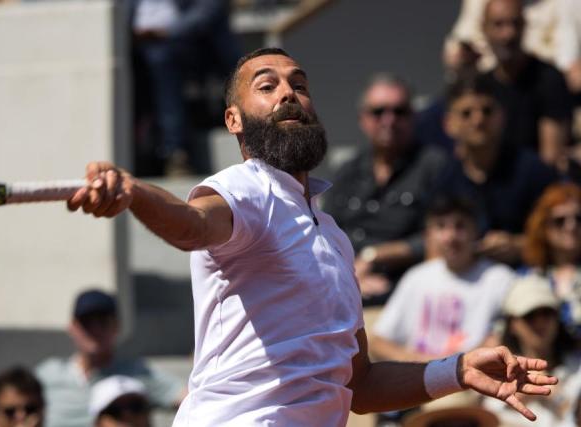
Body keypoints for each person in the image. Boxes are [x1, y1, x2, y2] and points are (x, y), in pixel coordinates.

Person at [66, 47, 559, 426]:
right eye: (267, 85)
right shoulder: (245, 187)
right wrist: (134, 193)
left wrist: (456, 371)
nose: (288, 92)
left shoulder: (335, 238)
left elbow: (359, 383)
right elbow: (193, 225)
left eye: (299, 84)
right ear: (234, 121)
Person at [322, 73, 448, 305]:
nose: (388, 120)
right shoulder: (347, 170)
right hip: (343, 286)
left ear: (413, 116)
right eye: (378, 112)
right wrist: (349, 273)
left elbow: (442, 236)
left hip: (406, 294)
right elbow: (324, 232)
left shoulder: (436, 166)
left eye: (399, 111)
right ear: (363, 119)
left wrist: (375, 256)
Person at [372, 196, 514, 363]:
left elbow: (505, 341)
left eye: (460, 226)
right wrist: (422, 365)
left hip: (471, 380)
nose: (450, 236)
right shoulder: (417, 277)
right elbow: (377, 342)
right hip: (419, 378)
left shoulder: (500, 279)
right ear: (429, 235)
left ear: (475, 231)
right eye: (441, 226)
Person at [436, 72, 557, 265]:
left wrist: (518, 245)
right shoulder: (443, 177)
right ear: (449, 124)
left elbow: (564, 234)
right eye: (466, 113)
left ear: (502, 116)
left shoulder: (533, 170)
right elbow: (432, 243)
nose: (478, 120)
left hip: (525, 274)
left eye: (487, 111)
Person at [34, 289, 184, 427]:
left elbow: (192, 397)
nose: (95, 330)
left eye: (103, 322)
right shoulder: (47, 374)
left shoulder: (136, 374)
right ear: (72, 328)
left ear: (117, 326)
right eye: (87, 323)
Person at [128, 0, 241, 176]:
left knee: (161, 60)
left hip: (183, 41)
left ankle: (176, 153)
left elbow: (209, 8)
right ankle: (142, 152)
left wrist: (168, 31)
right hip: (132, 44)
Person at [479, 0, 573, 169]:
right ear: (484, 28)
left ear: (524, 26)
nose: (508, 34)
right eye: (499, 24)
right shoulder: (480, 86)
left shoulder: (549, 79)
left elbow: (550, 156)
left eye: (515, 23)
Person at [482, 276, 581, 426]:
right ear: (512, 324)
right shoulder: (496, 372)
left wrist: (558, 397)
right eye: (530, 315)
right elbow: (488, 417)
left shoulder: (578, 366)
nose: (540, 322)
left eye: (546, 313)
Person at [522, 182, 581, 337]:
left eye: (579, 218)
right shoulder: (528, 277)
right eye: (560, 220)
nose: (571, 226)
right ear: (544, 228)